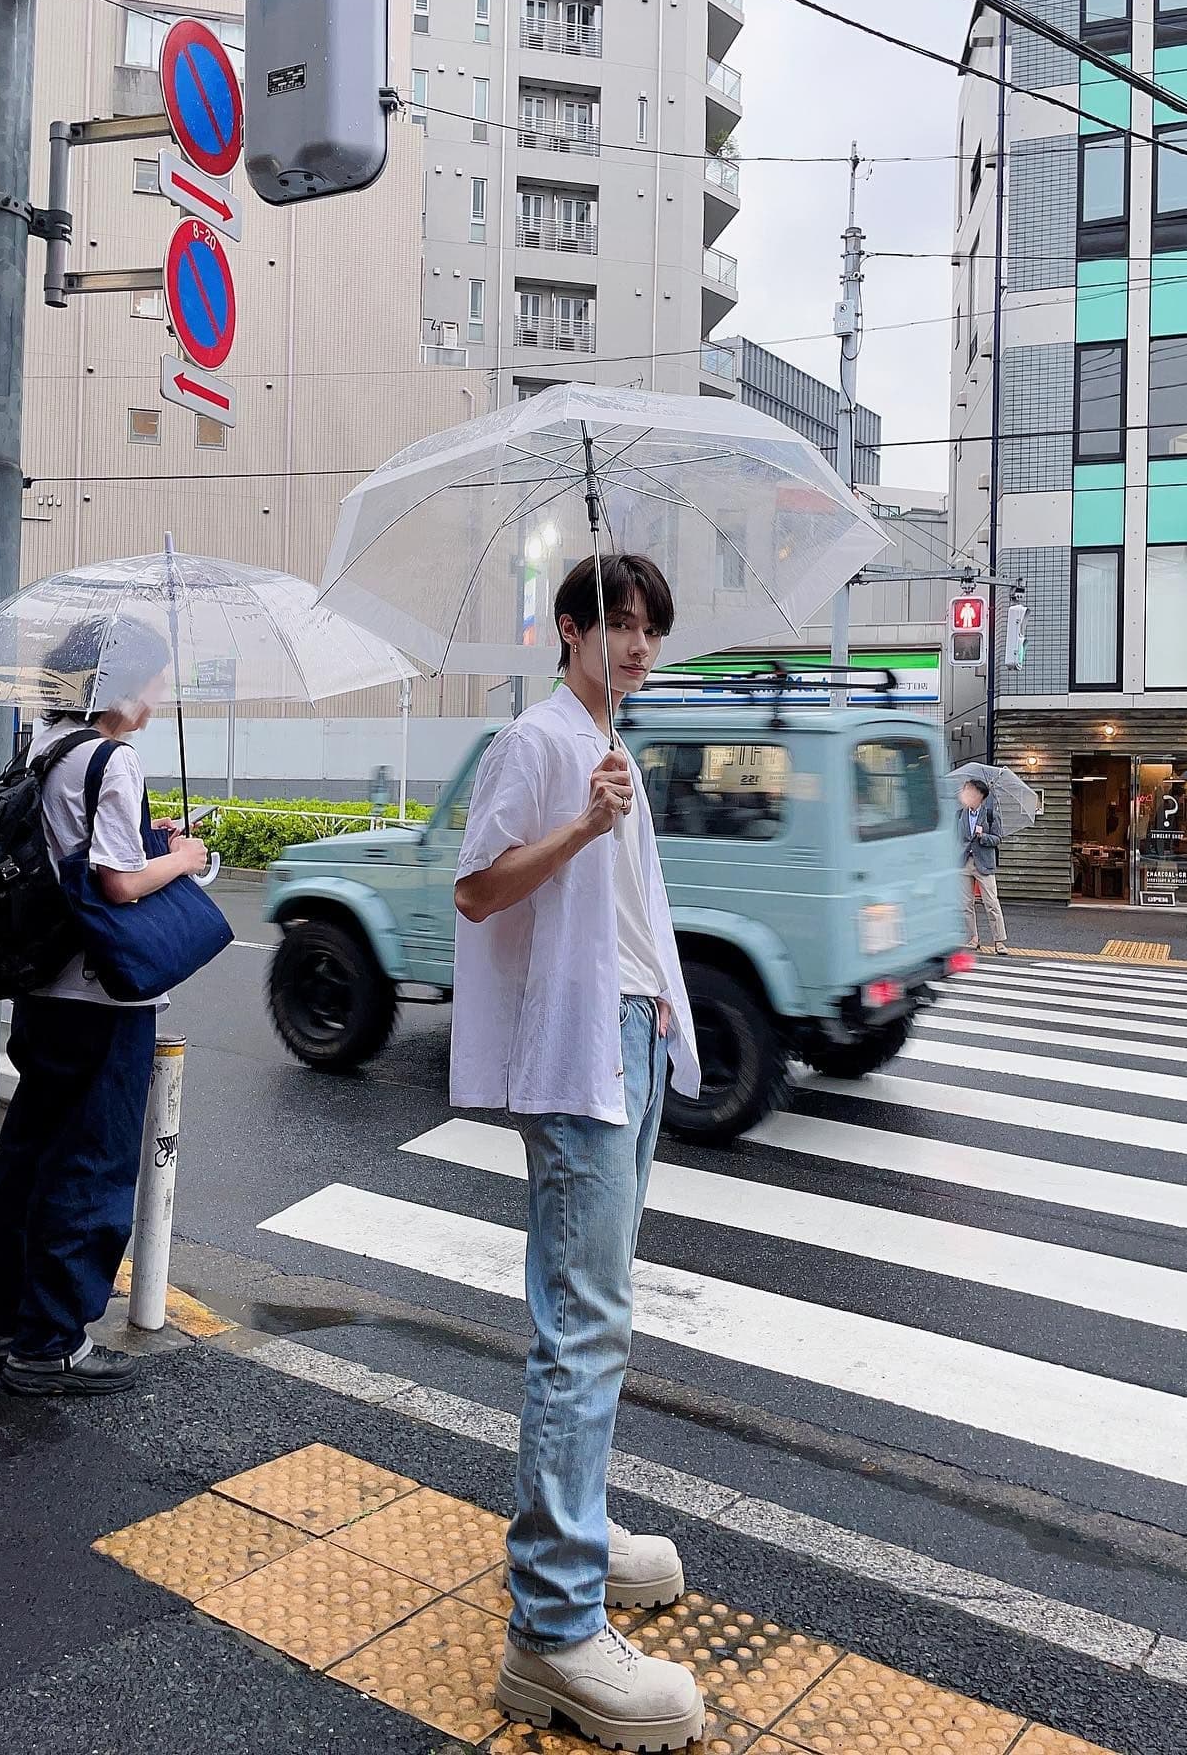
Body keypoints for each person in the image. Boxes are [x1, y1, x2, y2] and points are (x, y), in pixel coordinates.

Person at [453, 553, 706, 1752]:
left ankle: (581, 1532)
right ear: (568, 630)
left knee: (597, 1309)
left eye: (651, 630)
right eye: (620, 626)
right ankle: (552, 1626)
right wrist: (580, 823)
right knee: (583, 1325)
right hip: (578, 1050)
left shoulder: (613, 748)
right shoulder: (541, 745)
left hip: (631, 1040)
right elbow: (477, 891)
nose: (640, 648)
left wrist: (659, 1008)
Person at [0, 616, 209, 1396]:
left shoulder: (44, 747)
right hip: (102, 994)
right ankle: (50, 1345)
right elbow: (114, 883)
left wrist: (148, 843)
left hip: (42, 988)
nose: (161, 696)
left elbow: (73, 851)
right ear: (123, 683)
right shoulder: (114, 758)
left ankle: (0, 1325)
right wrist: (181, 857)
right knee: (92, 1165)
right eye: (157, 679)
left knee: (31, 1153)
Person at [958, 776, 1008, 954]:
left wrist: (983, 836)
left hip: (985, 863)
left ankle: (999, 941)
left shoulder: (990, 814)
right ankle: (973, 938)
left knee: (991, 903)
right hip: (964, 862)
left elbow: (998, 838)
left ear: (980, 796)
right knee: (966, 904)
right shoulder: (960, 814)